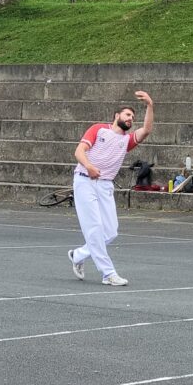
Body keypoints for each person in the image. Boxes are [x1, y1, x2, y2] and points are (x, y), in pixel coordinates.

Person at [68, 92, 155, 285]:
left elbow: (147, 130)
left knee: (110, 232)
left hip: (106, 185)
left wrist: (150, 105)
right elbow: (79, 151)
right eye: (127, 115)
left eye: (133, 117)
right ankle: (108, 274)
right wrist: (89, 167)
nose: (130, 119)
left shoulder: (127, 141)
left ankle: (78, 255)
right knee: (94, 228)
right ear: (117, 116)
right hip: (84, 181)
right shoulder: (99, 130)